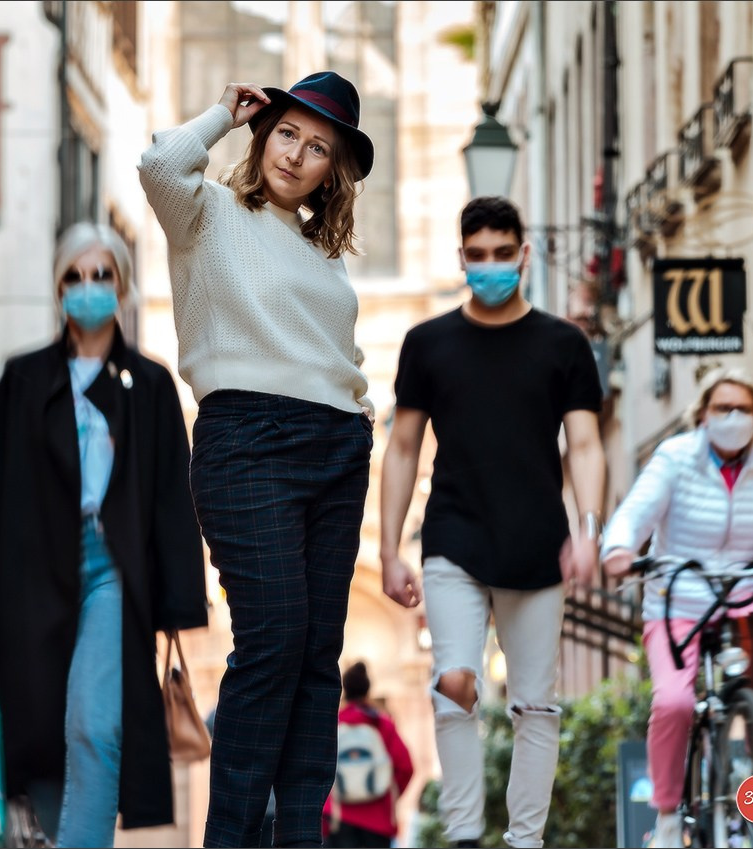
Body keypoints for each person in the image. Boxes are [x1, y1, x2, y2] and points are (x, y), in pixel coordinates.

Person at [138, 70, 376, 848]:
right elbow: (159, 163)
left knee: (316, 657)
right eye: (287, 133)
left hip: (336, 447)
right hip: (247, 438)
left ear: (333, 171)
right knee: (273, 639)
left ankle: (301, 835)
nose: (296, 154)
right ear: (263, 135)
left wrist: (357, 411)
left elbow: (333, 349)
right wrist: (223, 113)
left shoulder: (323, 252)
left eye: (318, 147)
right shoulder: (207, 213)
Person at [0, 222, 208, 848]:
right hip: (31, 570)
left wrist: (177, 599)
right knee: (40, 733)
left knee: (96, 727)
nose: (89, 287)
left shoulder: (149, 383)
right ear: (58, 287)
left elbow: (173, 496)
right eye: (75, 275)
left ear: (122, 286)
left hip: (111, 570)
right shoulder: (24, 378)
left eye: (102, 275)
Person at [379, 195, 606, 849]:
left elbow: (585, 444)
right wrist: (390, 549)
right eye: (477, 256)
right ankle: (463, 833)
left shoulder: (564, 344)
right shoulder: (429, 343)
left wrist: (589, 531)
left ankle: (525, 840)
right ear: (461, 258)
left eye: (502, 254)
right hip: (453, 536)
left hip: (538, 542)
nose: (490, 266)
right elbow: (402, 447)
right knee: (453, 682)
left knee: (535, 703)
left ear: (524, 254)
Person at [601, 367, 753, 849]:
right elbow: (637, 511)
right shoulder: (675, 457)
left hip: (743, 596)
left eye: (743, 409)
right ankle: (667, 814)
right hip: (677, 598)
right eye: (723, 408)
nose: (733, 417)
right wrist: (620, 547)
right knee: (674, 702)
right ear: (702, 414)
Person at [323, 661, 414, 848]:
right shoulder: (382, 724)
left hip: (339, 816)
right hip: (377, 820)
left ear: (345, 689)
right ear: (368, 689)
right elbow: (406, 767)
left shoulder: (334, 724)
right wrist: (387, 792)